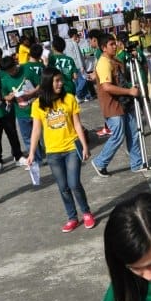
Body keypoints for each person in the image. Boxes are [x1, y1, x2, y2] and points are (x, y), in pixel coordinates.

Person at [28, 68, 96, 232]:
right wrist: (31, 153)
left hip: (71, 147)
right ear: (47, 83)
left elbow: (77, 124)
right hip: (52, 152)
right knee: (63, 187)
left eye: (61, 80)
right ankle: (72, 217)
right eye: (56, 81)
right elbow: (36, 130)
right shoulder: (38, 104)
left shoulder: (69, 99)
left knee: (73, 183)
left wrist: (85, 146)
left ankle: (86, 213)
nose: (60, 83)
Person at [90, 34, 144, 175]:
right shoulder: (103, 63)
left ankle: (137, 164)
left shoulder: (113, 59)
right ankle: (100, 162)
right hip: (113, 105)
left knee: (133, 133)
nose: (115, 46)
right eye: (111, 44)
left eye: (115, 43)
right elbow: (107, 87)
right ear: (103, 48)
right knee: (118, 136)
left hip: (125, 102)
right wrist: (129, 91)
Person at [0, 54, 43, 166]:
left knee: (41, 135)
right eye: (8, 71)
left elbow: (40, 84)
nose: (12, 72)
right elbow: (4, 96)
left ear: (15, 64)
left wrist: (33, 92)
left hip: (36, 109)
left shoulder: (26, 70)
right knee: (27, 137)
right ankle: (36, 159)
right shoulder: (4, 80)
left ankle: (46, 152)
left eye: (12, 69)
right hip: (21, 112)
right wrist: (9, 97)